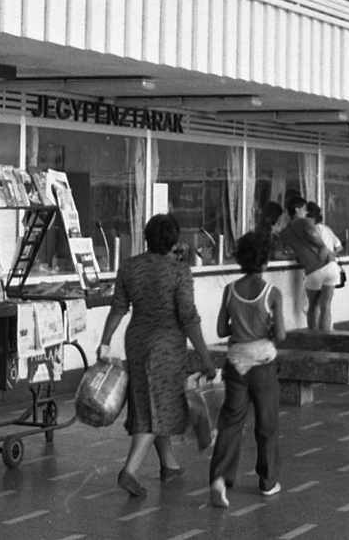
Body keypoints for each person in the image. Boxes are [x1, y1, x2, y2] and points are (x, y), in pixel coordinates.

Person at [98, 213, 216, 498]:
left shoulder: (129, 267)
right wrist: (206, 357)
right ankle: (129, 471)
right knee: (155, 408)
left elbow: (118, 308)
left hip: (136, 342)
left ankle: (169, 465)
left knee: (152, 402)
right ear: (174, 241)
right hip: (166, 346)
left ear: (146, 237)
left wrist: (104, 342)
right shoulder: (179, 272)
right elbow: (188, 317)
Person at [208, 231, 287, 508]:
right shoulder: (272, 293)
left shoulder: (230, 290)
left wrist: (238, 329)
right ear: (265, 262)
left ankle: (219, 478)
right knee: (267, 423)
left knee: (230, 421)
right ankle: (267, 482)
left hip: (235, 364)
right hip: (263, 365)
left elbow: (220, 329)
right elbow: (281, 335)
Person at [282, 206, 340, 330]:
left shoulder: (286, 231)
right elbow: (314, 234)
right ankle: (325, 337)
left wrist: (297, 254)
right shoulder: (307, 222)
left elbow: (277, 252)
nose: (305, 212)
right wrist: (323, 246)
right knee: (326, 305)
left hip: (313, 270)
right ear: (297, 209)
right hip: (330, 265)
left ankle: (313, 338)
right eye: (303, 208)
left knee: (313, 305)